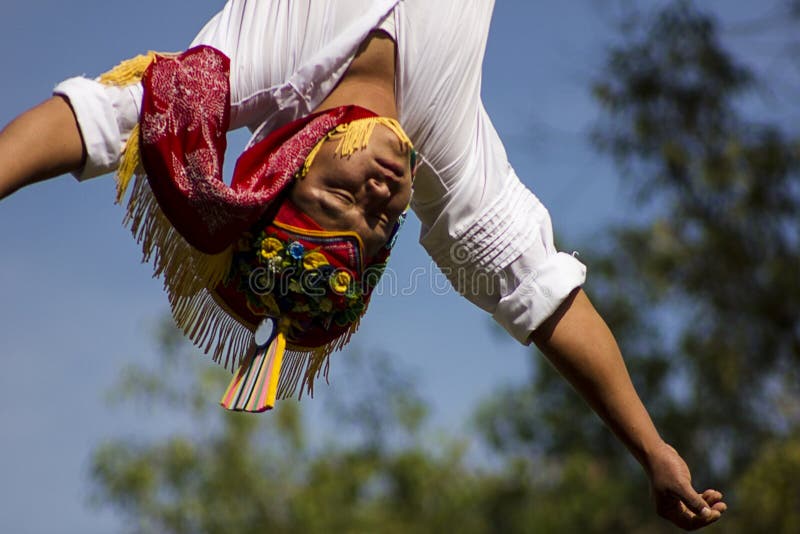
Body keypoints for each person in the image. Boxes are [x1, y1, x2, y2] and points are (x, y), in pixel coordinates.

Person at [0, 0, 726, 529]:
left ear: (294, 159)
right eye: (380, 225)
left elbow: (97, 124)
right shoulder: (446, 154)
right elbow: (539, 296)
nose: (377, 196)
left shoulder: (259, 73)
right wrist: (653, 450)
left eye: (336, 197)